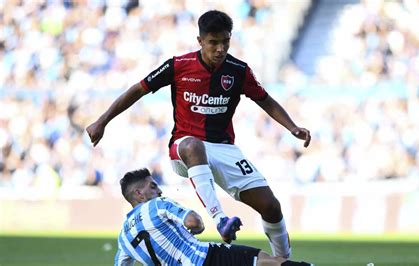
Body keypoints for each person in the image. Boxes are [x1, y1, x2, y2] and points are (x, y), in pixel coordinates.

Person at [87, 10, 311, 258]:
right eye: (213, 42)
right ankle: (220, 220)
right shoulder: (178, 66)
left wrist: (292, 126)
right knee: (193, 145)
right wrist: (102, 121)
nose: (220, 49)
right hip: (184, 146)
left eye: (225, 42)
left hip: (223, 147)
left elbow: (265, 100)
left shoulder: (238, 71)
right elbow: (138, 90)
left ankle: (284, 262)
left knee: (270, 206)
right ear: (200, 41)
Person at [115, 168, 314, 266]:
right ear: (139, 194)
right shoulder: (157, 205)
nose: (158, 190)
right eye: (152, 186)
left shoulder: (123, 238)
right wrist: (198, 226)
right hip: (206, 258)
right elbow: (194, 223)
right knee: (268, 262)